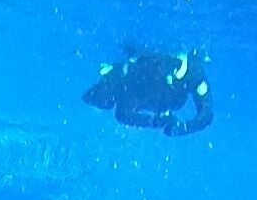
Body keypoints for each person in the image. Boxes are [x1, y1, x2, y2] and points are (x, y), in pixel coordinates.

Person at [85, 46, 214, 135]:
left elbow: (206, 114)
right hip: (137, 85)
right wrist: (158, 123)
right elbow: (123, 115)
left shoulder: (192, 73)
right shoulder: (133, 78)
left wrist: (182, 128)